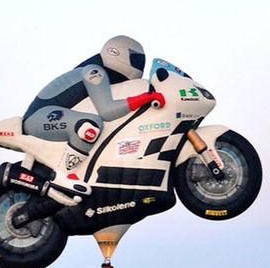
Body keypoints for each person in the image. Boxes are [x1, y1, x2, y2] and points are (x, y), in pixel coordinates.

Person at [22, 35, 164, 199]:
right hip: (39, 118)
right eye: (136, 59)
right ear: (117, 52)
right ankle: (62, 175)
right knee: (89, 125)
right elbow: (107, 111)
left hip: (51, 118)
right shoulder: (94, 71)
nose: (140, 65)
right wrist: (145, 98)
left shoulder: (102, 75)